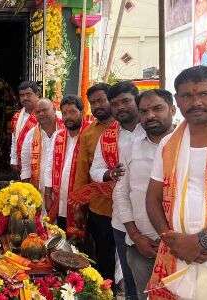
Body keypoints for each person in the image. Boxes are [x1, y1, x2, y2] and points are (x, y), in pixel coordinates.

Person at [147, 66, 207, 300]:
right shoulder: (168, 144)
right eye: (187, 96)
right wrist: (172, 239)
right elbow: (152, 198)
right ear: (177, 101)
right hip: (176, 255)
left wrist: (201, 240)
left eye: (204, 94)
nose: (195, 102)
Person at [113, 89, 175, 299]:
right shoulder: (131, 148)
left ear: (173, 109)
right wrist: (135, 236)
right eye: (144, 111)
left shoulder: (188, 144)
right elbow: (121, 194)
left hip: (182, 250)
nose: (150, 115)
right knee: (143, 296)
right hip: (143, 248)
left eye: (157, 108)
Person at [89, 81, 145, 298]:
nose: (120, 107)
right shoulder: (108, 136)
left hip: (156, 219)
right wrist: (109, 174)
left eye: (126, 101)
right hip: (121, 220)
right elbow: (96, 170)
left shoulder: (152, 128)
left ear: (136, 100)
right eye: (115, 103)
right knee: (130, 277)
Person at [73, 83, 116, 281]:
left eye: (101, 100)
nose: (97, 106)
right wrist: (79, 205)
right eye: (93, 103)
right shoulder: (89, 133)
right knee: (104, 257)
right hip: (100, 207)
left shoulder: (127, 126)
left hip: (132, 208)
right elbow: (82, 172)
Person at [43, 95, 84, 229]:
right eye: (65, 113)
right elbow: (50, 167)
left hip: (81, 203)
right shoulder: (58, 136)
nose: (68, 117)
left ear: (81, 112)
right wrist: (48, 195)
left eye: (72, 112)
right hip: (59, 201)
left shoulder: (88, 135)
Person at [21, 98, 63, 194]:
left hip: (62, 188)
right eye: (38, 112)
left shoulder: (65, 132)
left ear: (54, 109)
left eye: (44, 110)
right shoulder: (30, 135)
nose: (41, 114)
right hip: (39, 189)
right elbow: (26, 167)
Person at [10, 81, 39, 173]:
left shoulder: (45, 114)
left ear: (37, 94)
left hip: (40, 162)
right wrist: (14, 160)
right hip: (23, 165)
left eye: (28, 94)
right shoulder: (17, 117)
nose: (25, 98)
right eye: (22, 95)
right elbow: (14, 140)